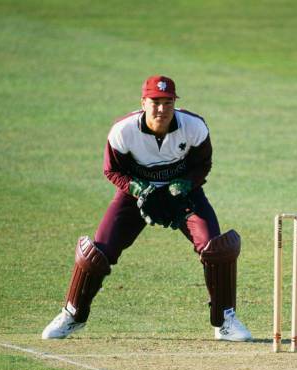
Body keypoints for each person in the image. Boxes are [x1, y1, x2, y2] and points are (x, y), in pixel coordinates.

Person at [42, 75, 251, 342]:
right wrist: (138, 189)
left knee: (216, 247)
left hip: (183, 192)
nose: (162, 109)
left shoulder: (194, 127)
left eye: (168, 102)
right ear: (143, 102)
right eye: (155, 102)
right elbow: (112, 170)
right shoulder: (123, 131)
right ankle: (72, 315)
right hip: (135, 194)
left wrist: (184, 184)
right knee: (97, 253)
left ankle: (225, 322)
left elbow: (203, 165)